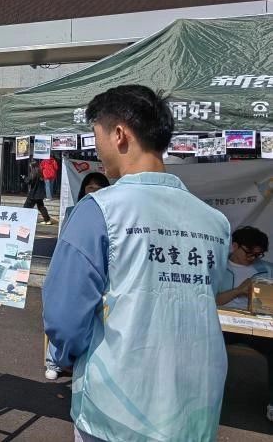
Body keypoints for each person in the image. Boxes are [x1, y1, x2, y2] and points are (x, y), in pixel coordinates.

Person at [43, 85, 230, 442]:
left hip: (116, 409)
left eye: (96, 136)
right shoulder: (214, 222)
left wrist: (66, 358)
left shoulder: (100, 210)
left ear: (119, 134)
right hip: (196, 407)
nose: (97, 150)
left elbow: (64, 316)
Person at [45, 170, 111, 380]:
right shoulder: (75, 211)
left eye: (99, 189)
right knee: (64, 311)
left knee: (82, 316)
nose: (94, 192)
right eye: (90, 188)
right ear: (83, 190)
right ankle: (54, 360)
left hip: (95, 271)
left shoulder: (109, 215)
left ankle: (71, 359)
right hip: (71, 264)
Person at [216, 226, 273, 421]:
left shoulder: (266, 269)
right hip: (222, 324)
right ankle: (205, 395)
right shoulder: (218, 267)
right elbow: (211, 299)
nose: (253, 258)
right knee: (205, 345)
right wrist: (239, 291)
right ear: (234, 246)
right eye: (249, 252)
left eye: (258, 254)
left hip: (256, 325)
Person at [24, 160, 53, 225]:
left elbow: (28, 181)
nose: (29, 166)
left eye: (30, 165)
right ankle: (47, 220)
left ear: (32, 166)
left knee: (26, 207)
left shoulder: (33, 173)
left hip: (33, 194)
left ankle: (24, 219)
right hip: (40, 194)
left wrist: (24, 178)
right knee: (41, 207)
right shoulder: (40, 173)